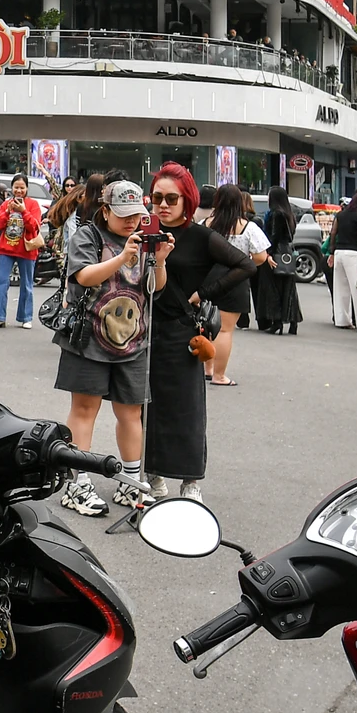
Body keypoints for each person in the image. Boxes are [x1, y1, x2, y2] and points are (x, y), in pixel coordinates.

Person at [55, 179, 165, 517]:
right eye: (123, 215)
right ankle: (77, 482)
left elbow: (155, 288)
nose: (131, 222)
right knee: (85, 409)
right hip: (89, 335)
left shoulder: (145, 241)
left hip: (133, 339)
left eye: (136, 215)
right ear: (105, 211)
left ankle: (132, 482)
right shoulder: (88, 236)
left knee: (131, 411)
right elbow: (84, 276)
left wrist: (159, 259)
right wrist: (123, 256)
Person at [146, 163, 251, 501]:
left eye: (171, 198)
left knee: (187, 409)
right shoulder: (147, 230)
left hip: (182, 331)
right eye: (157, 197)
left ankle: (190, 482)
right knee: (146, 406)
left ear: (186, 199)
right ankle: (153, 476)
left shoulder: (201, 236)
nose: (163, 204)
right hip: (143, 331)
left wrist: (204, 293)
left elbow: (245, 264)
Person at [207, 184, 266, 384]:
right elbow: (261, 256)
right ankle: (219, 374)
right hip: (236, 280)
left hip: (207, 277)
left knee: (205, 325)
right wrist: (244, 262)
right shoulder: (248, 227)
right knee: (224, 329)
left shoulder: (206, 223)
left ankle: (206, 369)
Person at [0, 173, 42, 329]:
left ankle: (26, 317)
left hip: (27, 250)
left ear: (26, 189)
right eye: (16, 187)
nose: (19, 191)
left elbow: (34, 226)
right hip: (6, 249)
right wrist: (7, 212)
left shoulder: (33, 205)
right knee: (1, 283)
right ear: (11, 188)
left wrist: (24, 211)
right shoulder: (5, 204)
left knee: (26, 285)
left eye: (22, 187)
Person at [255, 186, 302, 335]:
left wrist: (267, 254)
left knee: (273, 289)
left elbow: (273, 236)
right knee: (289, 289)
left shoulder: (275, 214)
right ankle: (293, 322)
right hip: (286, 255)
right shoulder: (289, 214)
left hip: (275, 254)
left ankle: (277, 322)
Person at [328, 189, 357, 332]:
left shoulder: (340, 215)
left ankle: (342, 320)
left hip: (339, 252)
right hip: (353, 253)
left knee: (340, 288)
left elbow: (333, 233)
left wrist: (332, 252)